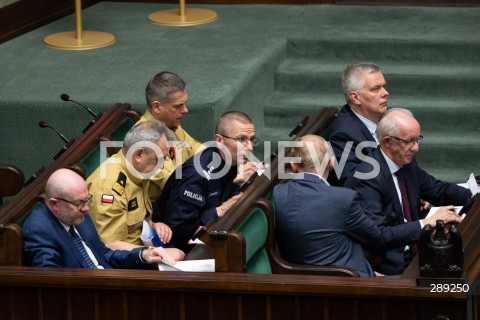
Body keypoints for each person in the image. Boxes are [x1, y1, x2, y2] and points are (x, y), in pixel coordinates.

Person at [273, 135, 462, 277]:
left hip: (307, 283)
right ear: (331, 163)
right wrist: (426, 222)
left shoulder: (277, 196)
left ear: (293, 165)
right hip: (355, 286)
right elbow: (379, 237)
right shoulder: (343, 199)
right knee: (445, 285)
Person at [345, 108, 472, 275]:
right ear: (387, 141)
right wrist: (426, 223)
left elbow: (438, 190)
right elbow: (378, 236)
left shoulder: (407, 164)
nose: (415, 148)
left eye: (417, 139)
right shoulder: (367, 177)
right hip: (391, 266)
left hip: (419, 253)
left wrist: (473, 196)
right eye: (409, 141)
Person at [23, 168, 185, 269]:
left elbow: (104, 254)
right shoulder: (39, 229)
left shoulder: (78, 216)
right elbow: (49, 284)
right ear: (54, 204)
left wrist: (143, 255)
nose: (86, 208)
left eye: (87, 200)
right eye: (79, 203)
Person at [153, 111, 262, 252]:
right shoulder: (194, 176)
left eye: (252, 139)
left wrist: (247, 184)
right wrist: (220, 210)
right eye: (241, 139)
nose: (250, 147)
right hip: (181, 251)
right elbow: (179, 231)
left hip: (219, 237)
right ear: (220, 140)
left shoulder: (237, 161)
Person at [87, 121, 176, 251]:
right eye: (158, 159)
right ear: (139, 155)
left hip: (144, 247)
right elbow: (110, 245)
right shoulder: (109, 187)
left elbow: (137, 223)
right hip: (125, 264)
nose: (161, 166)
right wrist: (157, 254)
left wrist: (154, 225)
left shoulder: (137, 172)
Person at [136, 71, 203, 199]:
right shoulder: (146, 140)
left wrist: (220, 160)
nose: (185, 110)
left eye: (184, 103)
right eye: (178, 106)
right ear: (157, 107)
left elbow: (195, 148)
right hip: (164, 206)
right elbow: (174, 182)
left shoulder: (170, 124)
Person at [328, 62, 389, 186]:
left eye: (384, 86)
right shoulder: (342, 134)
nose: (385, 93)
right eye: (376, 89)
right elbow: (356, 184)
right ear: (355, 97)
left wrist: (412, 192)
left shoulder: (390, 118)